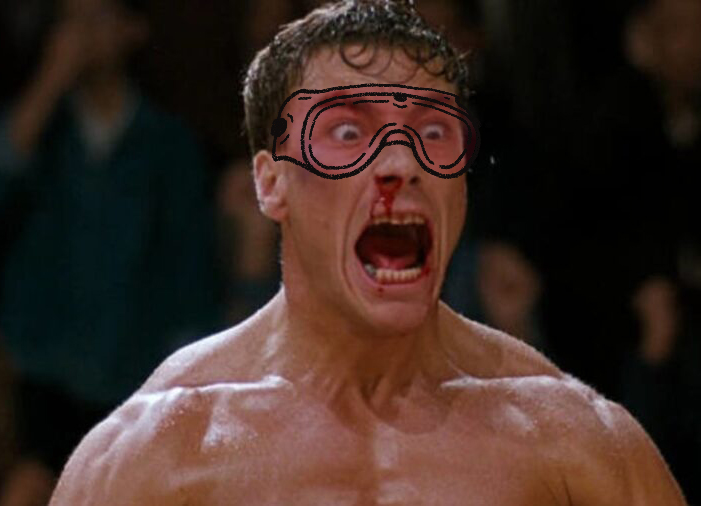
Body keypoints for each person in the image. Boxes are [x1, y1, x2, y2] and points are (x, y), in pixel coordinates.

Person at [50, 1, 686, 504]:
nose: (401, 163)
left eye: (432, 131)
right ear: (270, 183)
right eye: (348, 131)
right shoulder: (162, 449)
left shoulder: (573, 440)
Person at [0, 0, 218, 477]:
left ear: (131, 29)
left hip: (130, 376)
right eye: (68, 19)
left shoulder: (168, 145)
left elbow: (190, 276)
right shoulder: (39, 128)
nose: (79, 34)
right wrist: (48, 84)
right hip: (37, 371)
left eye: (94, 18)